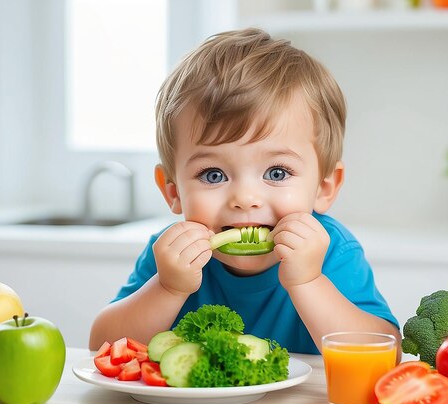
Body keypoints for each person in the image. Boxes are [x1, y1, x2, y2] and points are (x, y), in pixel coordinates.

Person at [90, 28, 401, 357]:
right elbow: (102, 347)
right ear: (173, 191)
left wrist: (309, 282)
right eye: (213, 175)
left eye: (277, 173)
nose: (245, 198)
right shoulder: (169, 255)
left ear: (324, 188)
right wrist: (167, 288)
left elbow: (386, 351)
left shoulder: (332, 250)